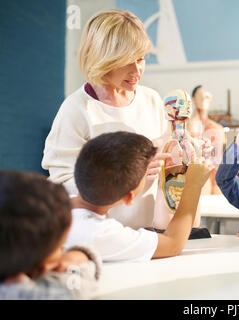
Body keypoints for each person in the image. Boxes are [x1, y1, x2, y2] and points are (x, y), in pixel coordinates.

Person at [42, 9, 174, 230]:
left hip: (150, 233)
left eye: (141, 58)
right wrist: (126, 178)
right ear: (101, 59)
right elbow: (61, 183)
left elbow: (166, 159)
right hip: (102, 234)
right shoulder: (76, 109)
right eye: (126, 61)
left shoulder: (151, 99)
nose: (137, 70)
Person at [64, 131, 213, 261]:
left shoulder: (58, 206)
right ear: (129, 197)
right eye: (148, 170)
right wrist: (193, 185)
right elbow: (173, 244)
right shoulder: (101, 234)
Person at [0, 171, 102, 300]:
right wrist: (81, 254)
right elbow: (81, 284)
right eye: (60, 246)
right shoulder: (46, 293)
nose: (63, 249)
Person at [187, 85, 226, 194]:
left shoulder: (216, 127)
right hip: (198, 171)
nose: (203, 99)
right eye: (200, 96)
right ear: (193, 99)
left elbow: (219, 154)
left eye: (206, 97)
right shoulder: (190, 124)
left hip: (216, 171)